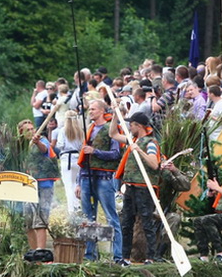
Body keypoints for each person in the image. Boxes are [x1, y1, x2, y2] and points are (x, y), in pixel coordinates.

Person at [109, 111, 161, 266]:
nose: (129, 128)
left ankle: (150, 257)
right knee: (126, 223)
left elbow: (154, 163)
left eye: (131, 125)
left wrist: (139, 151)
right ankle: (125, 257)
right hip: (130, 187)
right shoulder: (133, 140)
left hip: (144, 188)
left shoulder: (151, 143)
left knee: (146, 223)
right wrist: (115, 114)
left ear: (138, 126)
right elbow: (113, 133)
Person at [75, 100, 123, 263]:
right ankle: (90, 255)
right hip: (87, 177)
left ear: (102, 111)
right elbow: (84, 158)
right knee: (88, 218)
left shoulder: (111, 129)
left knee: (111, 217)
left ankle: (117, 256)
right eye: (90, 109)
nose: (90, 111)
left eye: (93, 109)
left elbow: (116, 154)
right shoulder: (90, 129)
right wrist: (78, 182)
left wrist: (95, 151)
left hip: (103, 178)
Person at [18, 119, 60, 250]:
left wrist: (36, 142)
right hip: (28, 185)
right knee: (28, 220)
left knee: (41, 218)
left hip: (44, 183)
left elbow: (44, 149)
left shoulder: (42, 140)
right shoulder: (20, 146)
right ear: (21, 133)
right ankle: (33, 252)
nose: (31, 132)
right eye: (27, 130)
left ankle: (40, 251)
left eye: (32, 129)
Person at [56, 110, 84, 214]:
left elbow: (60, 145)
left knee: (68, 185)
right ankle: (77, 206)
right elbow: (81, 145)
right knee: (76, 184)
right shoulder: (80, 131)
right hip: (77, 157)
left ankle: (71, 209)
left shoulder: (63, 131)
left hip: (66, 157)